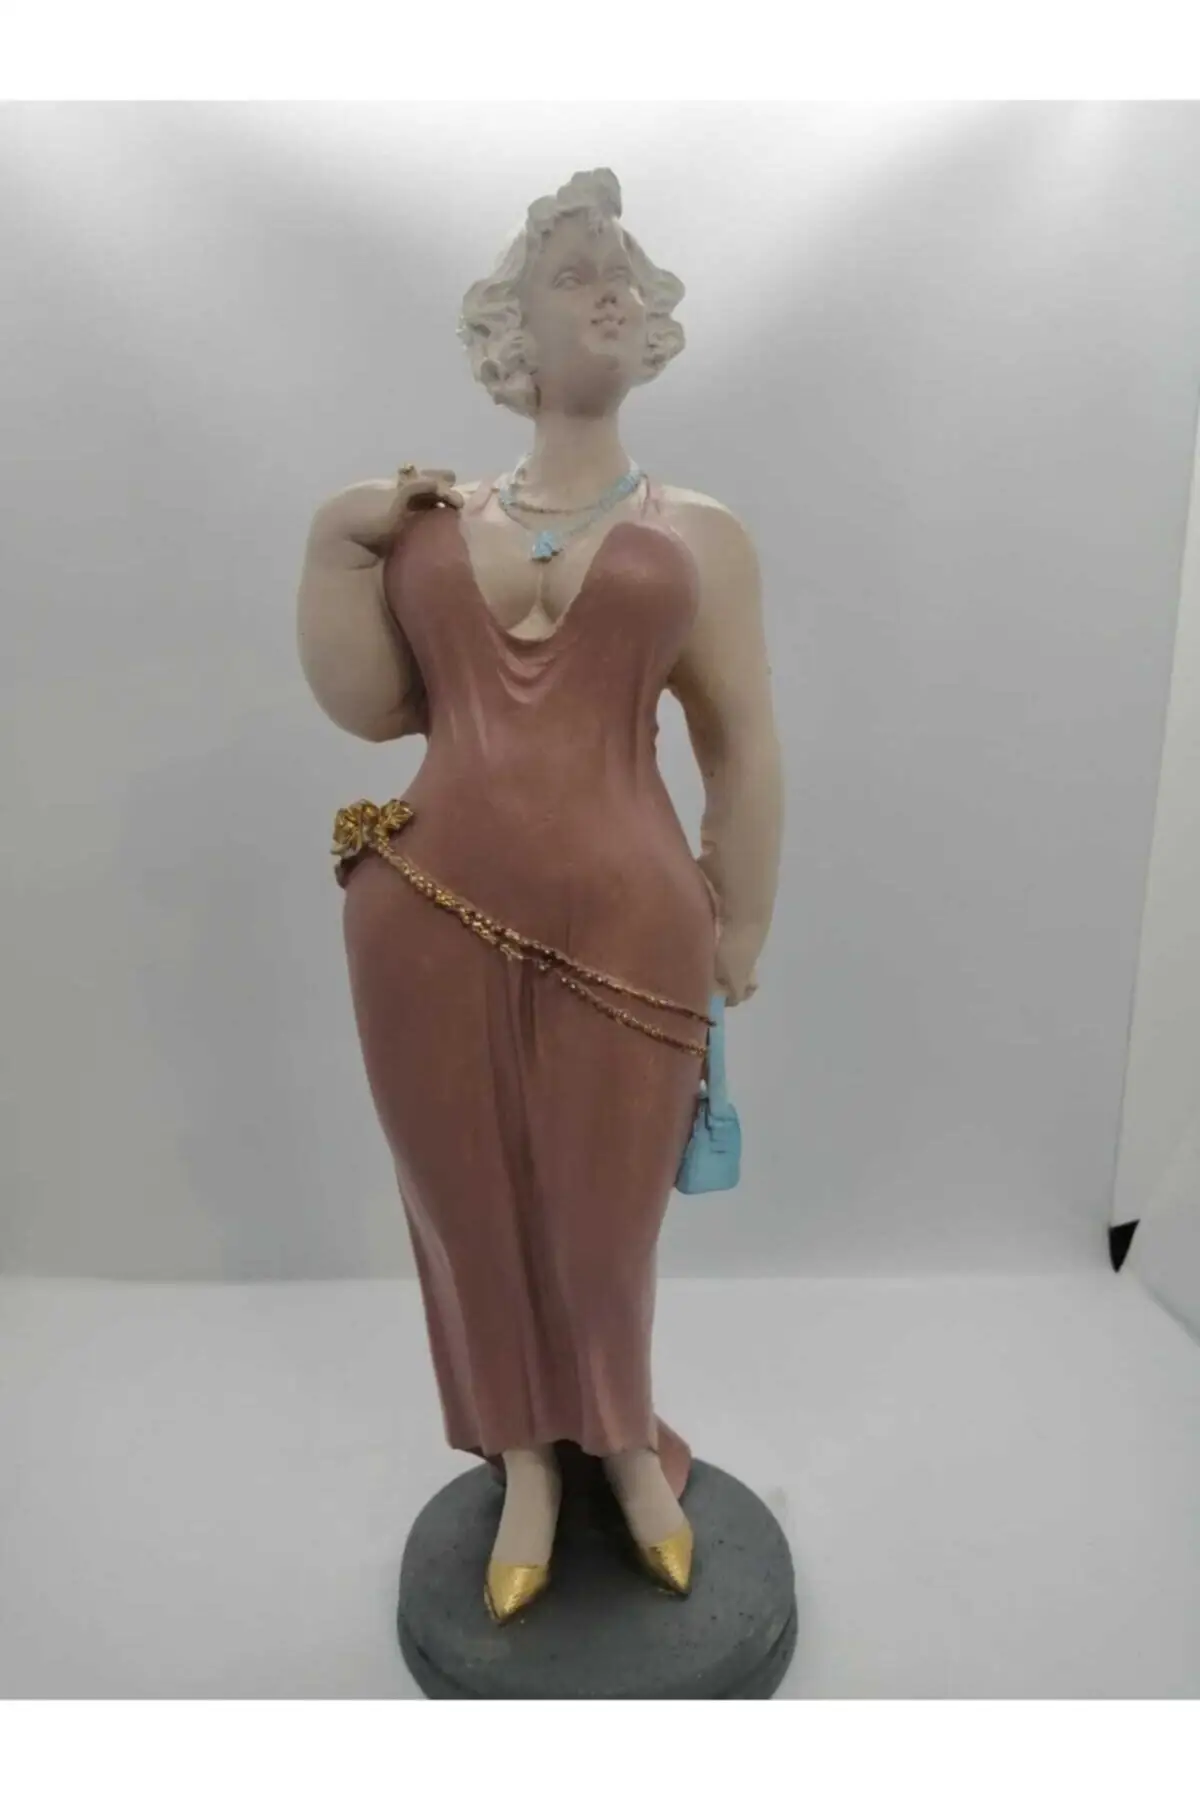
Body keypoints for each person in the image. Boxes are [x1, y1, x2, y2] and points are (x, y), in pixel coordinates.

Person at [296, 167, 783, 1624]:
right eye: (575, 274)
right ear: (512, 327)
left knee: (603, 1214)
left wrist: (744, 915)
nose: (610, 292)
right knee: (465, 1199)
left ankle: (625, 1447)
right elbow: (370, 707)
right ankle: (521, 1458)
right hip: (424, 910)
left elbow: (741, 741)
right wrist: (338, 540)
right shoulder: (432, 524)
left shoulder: (700, 533)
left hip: (632, 919)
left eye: (623, 272)